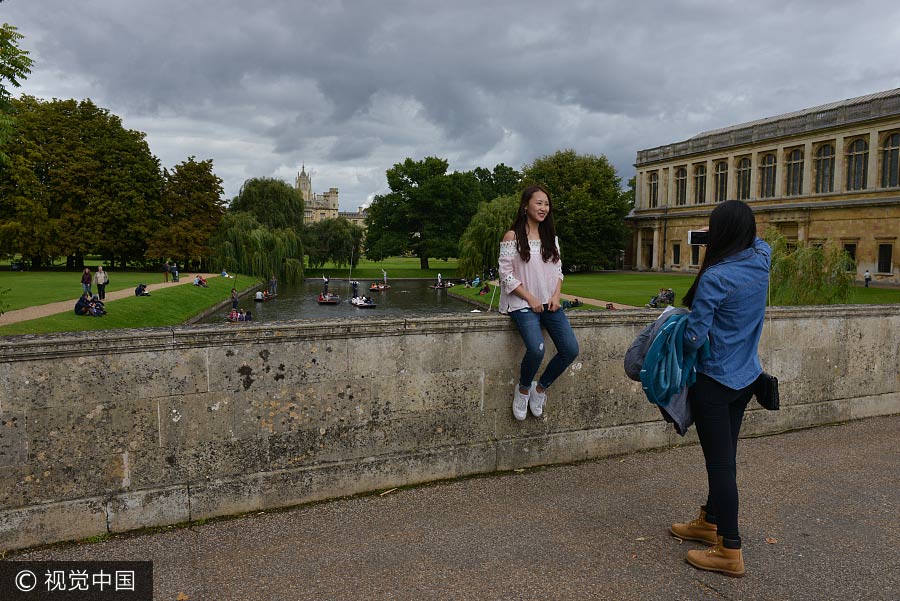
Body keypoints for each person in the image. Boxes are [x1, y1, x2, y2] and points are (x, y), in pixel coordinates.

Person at [670, 200, 771, 578]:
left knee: (721, 465)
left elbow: (695, 336)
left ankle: (730, 549)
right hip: (745, 377)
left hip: (713, 380)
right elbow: (760, 242)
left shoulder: (716, 277)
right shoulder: (762, 260)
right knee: (726, 456)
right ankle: (710, 521)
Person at [498, 184, 579, 421]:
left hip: (549, 303)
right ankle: (523, 389)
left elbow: (559, 271)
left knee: (570, 349)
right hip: (522, 304)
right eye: (538, 203)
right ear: (526, 206)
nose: (543, 208)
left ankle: (540, 388)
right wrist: (530, 297)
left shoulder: (550, 238)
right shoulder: (512, 236)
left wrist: (555, 296)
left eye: (546, 204)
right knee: (536, 348)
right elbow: (506, 274)